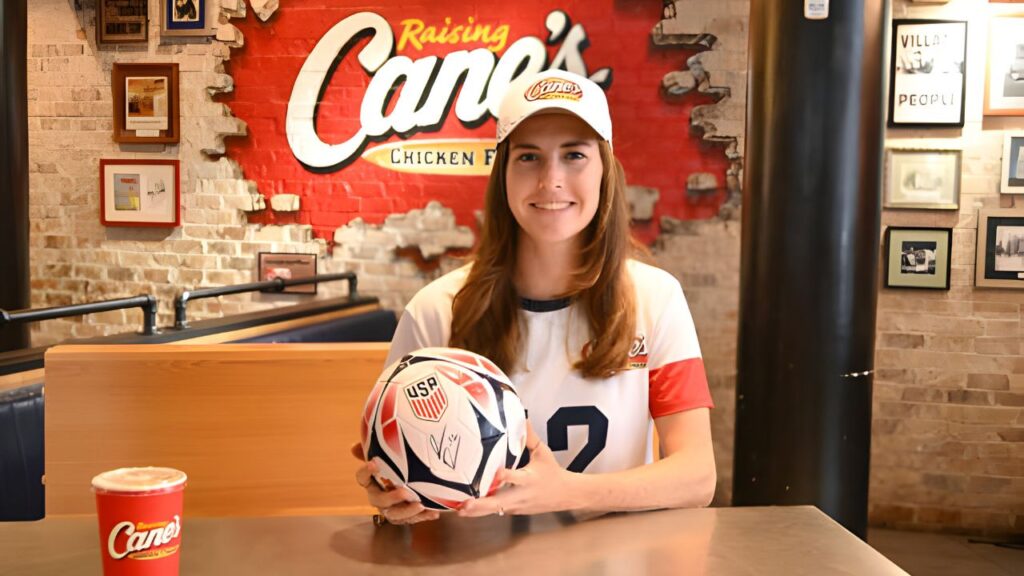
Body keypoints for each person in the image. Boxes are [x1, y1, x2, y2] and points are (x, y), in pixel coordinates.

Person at [352, 69, 716, 524]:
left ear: (606, 169)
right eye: (528, 157)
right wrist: (395, 500)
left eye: (574, 155)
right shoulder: (435, 311)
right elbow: (401, 480)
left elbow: (698, 476)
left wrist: (568, 492)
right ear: (502, 173)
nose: (551, 180)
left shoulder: (655, 298)